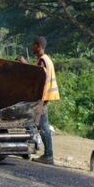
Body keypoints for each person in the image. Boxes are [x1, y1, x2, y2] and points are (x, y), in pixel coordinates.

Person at [31, 36, 59, 165]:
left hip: (42, 99)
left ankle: (48, 155)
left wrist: (24, 64)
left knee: (43, 126)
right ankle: (36, 148)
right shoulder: (46, 60)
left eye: (33, 44)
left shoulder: (42, 61)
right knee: (37, 124)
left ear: (38, 46)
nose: (31, 47)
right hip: (44, 99)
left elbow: (35, 78)